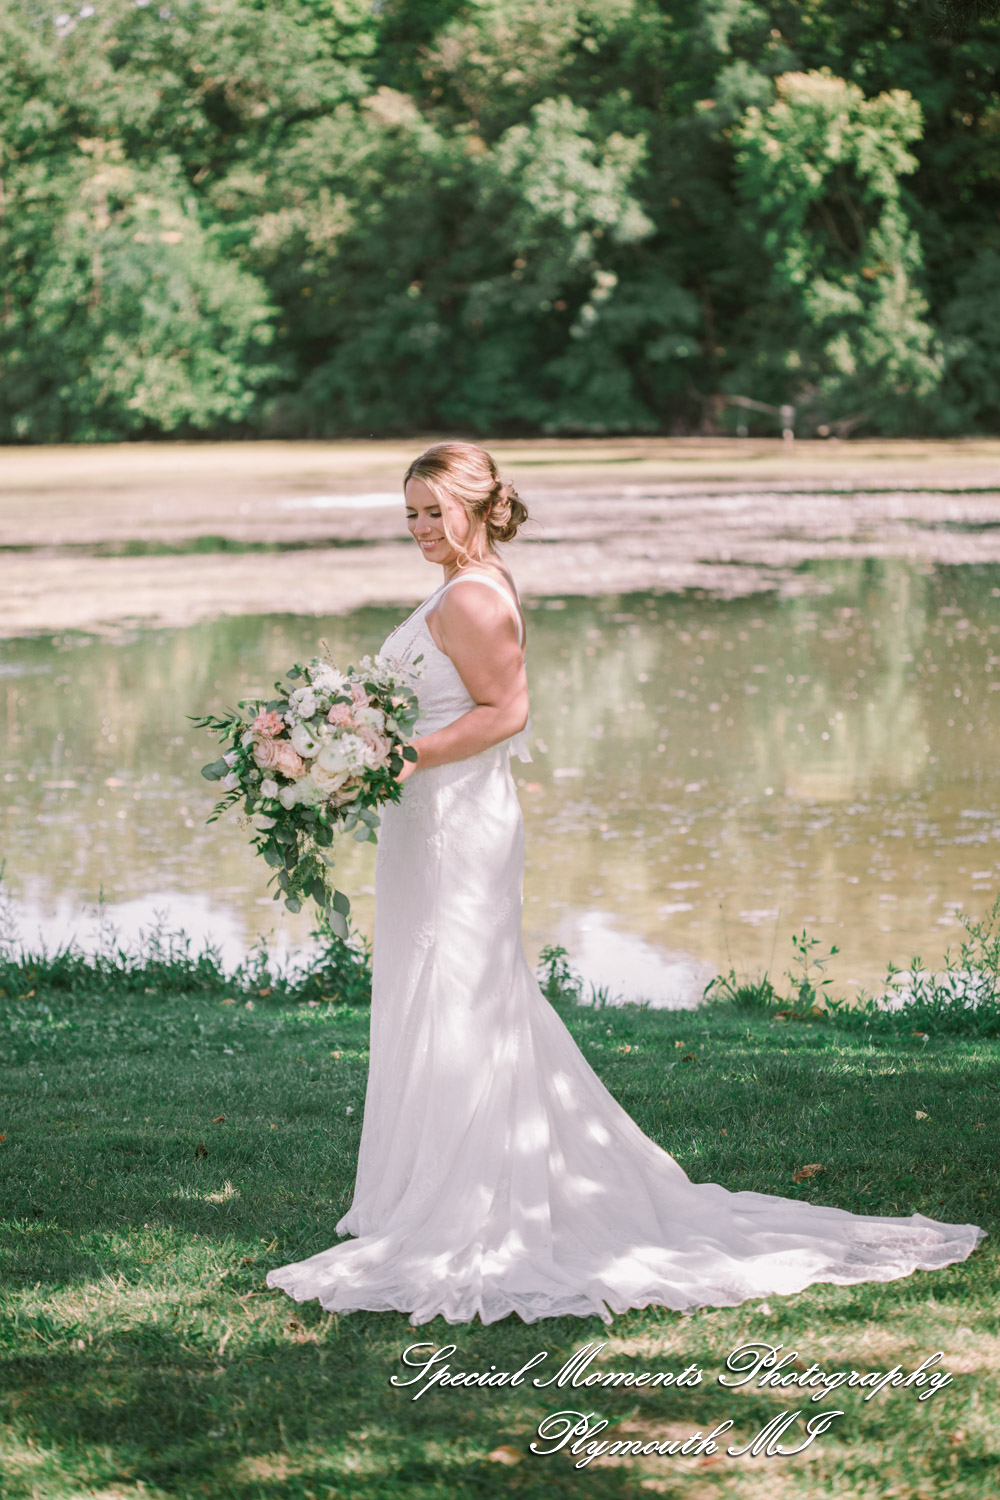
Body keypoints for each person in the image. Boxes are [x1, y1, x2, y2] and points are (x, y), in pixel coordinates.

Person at [265, 440, 986, 1326]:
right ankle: (427, 1182)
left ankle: (480, 1196)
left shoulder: (476, 594)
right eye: (408, 513)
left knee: (464, 993)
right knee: (439, 991)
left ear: (477, 506)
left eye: (432, 511)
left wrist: (392, 754)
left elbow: (509, 712)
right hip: (429, 817)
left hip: (457, 820)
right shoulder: (460, 585)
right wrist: (362, 750)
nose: (418, 527)